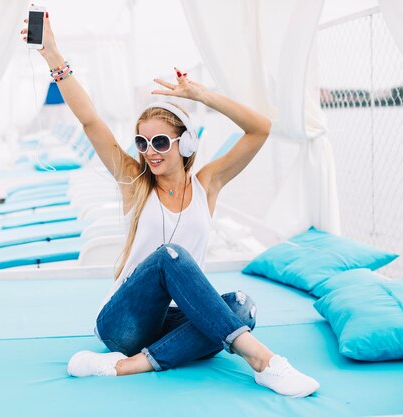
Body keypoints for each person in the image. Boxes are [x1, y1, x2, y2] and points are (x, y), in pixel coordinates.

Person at [21, 11, 319, 398]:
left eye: (160, 142)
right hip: (121, 321)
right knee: (170, 256)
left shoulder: (207, 184)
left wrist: (201, 95)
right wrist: (53, 57)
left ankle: (130, 366)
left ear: (186, 144)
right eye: (142, 143)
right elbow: (91, 121)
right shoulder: (134, 182)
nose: (150, 152)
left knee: (243, 308)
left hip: (167, 320)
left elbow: (260, 128)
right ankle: (263, 361)